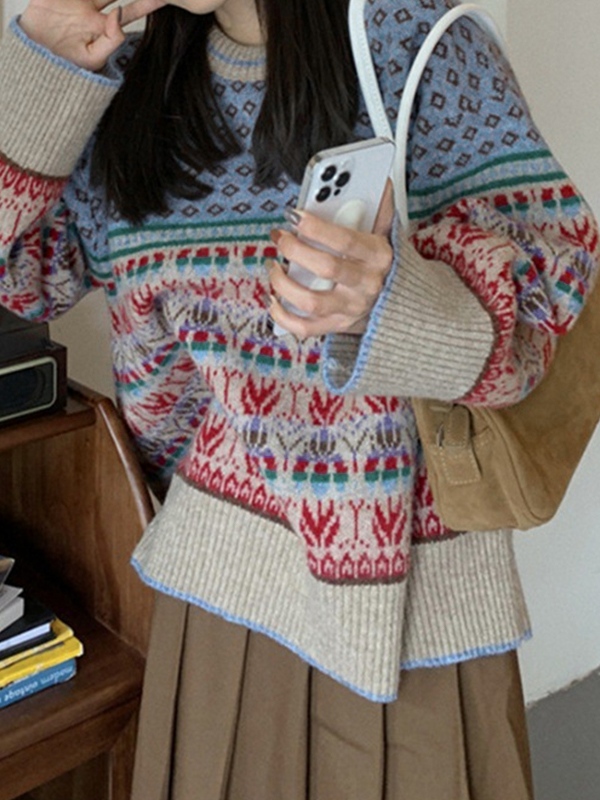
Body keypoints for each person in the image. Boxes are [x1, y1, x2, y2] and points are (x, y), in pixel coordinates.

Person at [0, 0, 598, 797]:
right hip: (218, 586)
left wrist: (395, 306)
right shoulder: (133, 85)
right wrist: (42, 59)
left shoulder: (417, 44)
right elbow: (20, 275)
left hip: (417, 603)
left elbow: (552, 292)